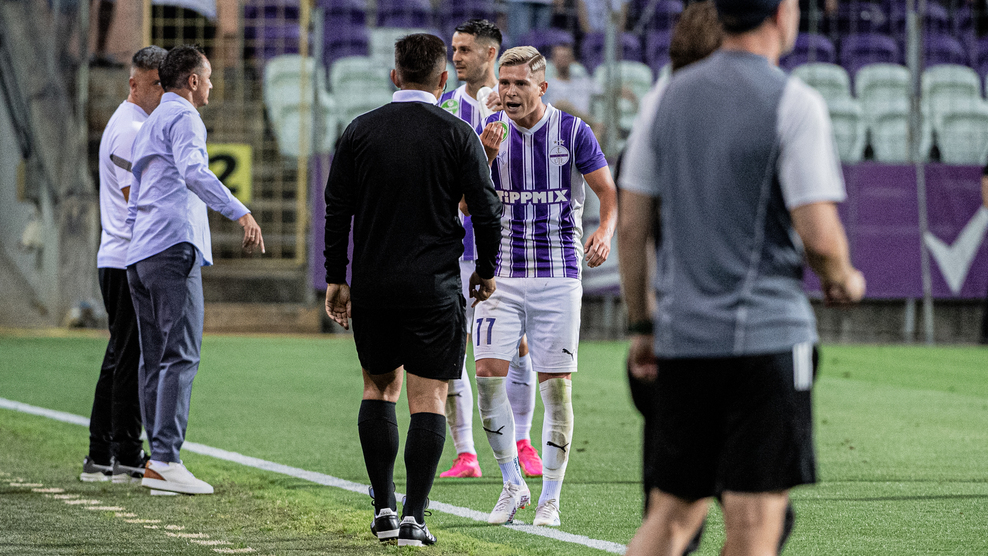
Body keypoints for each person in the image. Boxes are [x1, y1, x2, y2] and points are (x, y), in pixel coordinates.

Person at [618, 0, 866, 552]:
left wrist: (643, 325)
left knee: (672, 513)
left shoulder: (664, 98)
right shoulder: (794, 102)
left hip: (684, 340)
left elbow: (632, 230)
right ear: (781, 14)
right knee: (755, 521)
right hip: (766, 341)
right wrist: (844, 278)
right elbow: (821, 240)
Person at [323, 33, 502, 547]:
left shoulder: (360, 131)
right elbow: (487, 211)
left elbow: (337, 210)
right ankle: (414, 518)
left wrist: (337, 277)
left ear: (394, 75)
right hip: (434, 287)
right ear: (443, 79)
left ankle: (383, 509)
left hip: (375, 285)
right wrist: (485, 269)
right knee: (430, 399)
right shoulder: (457, 134)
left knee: (379, 389)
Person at [474, 46, 618, 527]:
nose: (510, 92)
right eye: (504, 83)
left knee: (556, 390)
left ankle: (550, 499)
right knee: (487, 377)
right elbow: (463, 206)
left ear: (542, 87)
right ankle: (511, 483)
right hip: (501, 274)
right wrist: (484, 158)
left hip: (558, 275)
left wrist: (605, 231)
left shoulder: (573, 132)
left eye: (520, 83)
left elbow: (607, 192)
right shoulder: (488, 134)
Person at [126, 44, 265, 496]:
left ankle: (156, 459)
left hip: (141, 252)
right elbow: (193, 172)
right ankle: (166, 459)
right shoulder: (185, 117)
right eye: (207, 78)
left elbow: (136, 191)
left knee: (154, 359)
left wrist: (132, 244)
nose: (211, 85)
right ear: (191, 81)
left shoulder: (150, 122)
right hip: (171, 246)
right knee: (181, 354)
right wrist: (240, 212)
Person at [438, 18, 543, 480]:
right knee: (452, 346)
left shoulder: (518, 105)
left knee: (517, 345)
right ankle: (466, 452)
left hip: (505, 244)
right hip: (455, 244)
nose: (456, 56)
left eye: (465, 49)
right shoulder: (445, 106)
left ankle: (522, 441)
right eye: (454, 49)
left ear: (489, 53)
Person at [82, 45, 167, 484]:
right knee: (129, 358)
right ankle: (124, 453)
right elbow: (139, 200)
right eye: (155, 84)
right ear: (134, 84)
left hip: (119, 255)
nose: (162, 92)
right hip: (125, 256)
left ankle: (103, 453)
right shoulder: (132, 129)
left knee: (122, 355)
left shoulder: (132, 124)